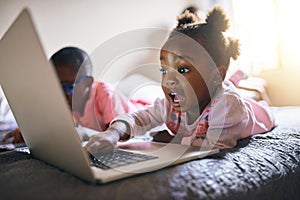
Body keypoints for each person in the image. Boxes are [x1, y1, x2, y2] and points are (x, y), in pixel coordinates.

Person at [85, 6, 275, 155]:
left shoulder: (227, 104)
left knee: (250, 101)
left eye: (183, 69)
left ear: (216, 75)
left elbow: (216, 145)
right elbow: (139, 118)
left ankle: (246, 84)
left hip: (261, 116)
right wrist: (113, 133)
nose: (169, 81)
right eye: (164, 70)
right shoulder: (171, 106)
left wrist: (171, 140)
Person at [1, 46, 151, 143]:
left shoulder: (105, 95)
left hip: (142, 118)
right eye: (56, 86)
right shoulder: (62, 98)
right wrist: (29, 133)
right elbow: (51, 126)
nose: (64, 93)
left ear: (87, 83)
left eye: (69, 86)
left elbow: (123, 133)